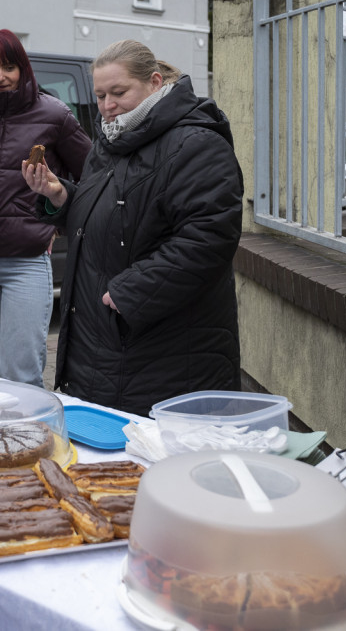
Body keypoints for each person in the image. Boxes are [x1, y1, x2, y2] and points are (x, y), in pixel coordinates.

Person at [23, 39, 243, 417]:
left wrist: (129, 293)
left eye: (119, 92)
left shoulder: (197, 144)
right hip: (105, 345)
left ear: (155, 83)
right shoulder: (112, 141)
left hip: (163, 353)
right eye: (101, 95)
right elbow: (111, 215)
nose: (108, 106)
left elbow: (208, 237)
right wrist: (61, 196)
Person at [0, 29, 91, 387]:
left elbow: (93, 178)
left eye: (9, 67)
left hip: (25, 262)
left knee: (21, 376)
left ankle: (26, 440)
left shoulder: (55, 115)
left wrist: (55, 220)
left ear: (23, 69)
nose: (0, 77)